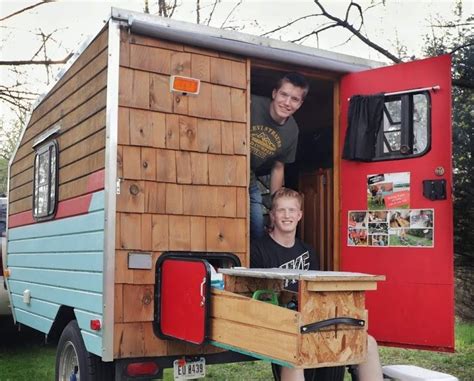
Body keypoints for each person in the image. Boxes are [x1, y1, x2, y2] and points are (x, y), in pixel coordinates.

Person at [251, 188, 384, 381]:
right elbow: (257, 297)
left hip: (312, 320)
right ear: (272, 215)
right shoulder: (258, 250)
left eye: (291, 210)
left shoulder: (308, 251)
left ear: (299, 215)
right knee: (295, 351)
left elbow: (316, 294)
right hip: (278, 322)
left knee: (368, 343)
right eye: (281, 210)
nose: (286, 215)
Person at [250, 73, 309, 239]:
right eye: (284, 95)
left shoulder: (292, 132)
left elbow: (278, 168)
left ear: (300, 103)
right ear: (274, 93)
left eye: (295, 99)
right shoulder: (251, 103)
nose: (287, 103)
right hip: (228, 165)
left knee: (256, 224)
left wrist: (276, 208)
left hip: (249, 176)